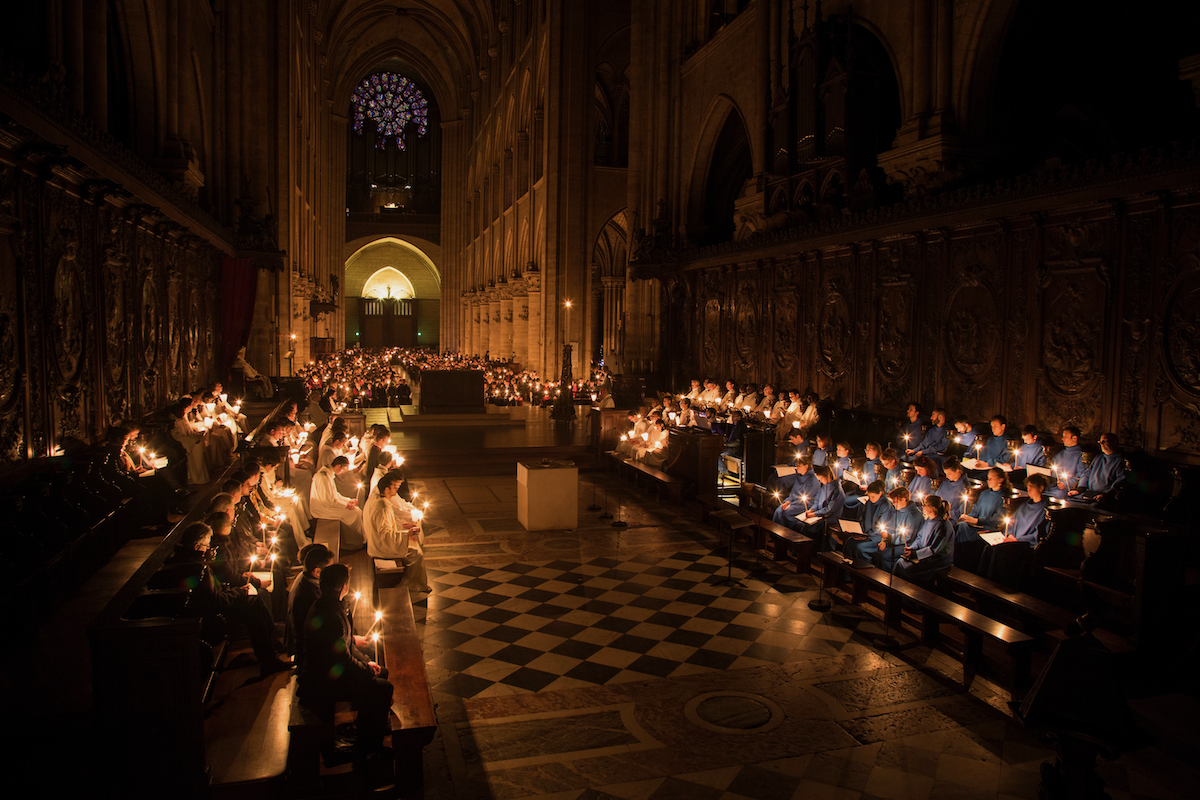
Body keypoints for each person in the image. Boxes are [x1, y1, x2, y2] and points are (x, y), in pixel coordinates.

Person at [167, 520, 290, 677]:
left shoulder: (186, 559)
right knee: (253, 603)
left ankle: (271, 650)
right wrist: (239, 592)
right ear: (197, 547)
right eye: (207, 546)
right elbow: (214, 601)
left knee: (254, 601)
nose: (211, 550)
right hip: (211, 619)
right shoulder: (198, 568)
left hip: (208, 608)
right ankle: (270, 656)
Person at [300, 563, 393, 761]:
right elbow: (341, 659)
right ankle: (369, 746)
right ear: (343, 587)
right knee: (383, 688)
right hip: (324, 680)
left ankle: (368, 723)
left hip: (332, 669)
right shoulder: (330, 615)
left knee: (382, 671)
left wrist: (367, 662)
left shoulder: (330, 605)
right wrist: (366, 671)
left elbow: (346, 645)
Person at [363, 472, 430, 592]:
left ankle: (412, 581)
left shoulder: (383, 502)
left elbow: (389, 525)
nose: (397, 488)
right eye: (395, 486)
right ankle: (411, 583)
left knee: (414, 546)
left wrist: (404, 528)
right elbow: (385, 534)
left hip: (384, 540)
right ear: (387, 489)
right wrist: (406, 534)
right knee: (416, 554)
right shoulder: (382, 507)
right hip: (381, 545)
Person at [978, 473, 1049, 585]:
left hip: (1024, 544)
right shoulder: (1025, 505)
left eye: (1032, 486)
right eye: (1028, 486)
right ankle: (981, 583)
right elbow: (1012, 522)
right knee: (988, 548)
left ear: (1041, 488)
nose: (1029, 489)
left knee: (999, 551)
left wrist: (1017, 539)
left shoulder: (1045, 510)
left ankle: (994, 584)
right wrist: (1009, 534)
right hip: (1012, 540)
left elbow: (1038, 534)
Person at [286, 544, 334, 666]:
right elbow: (322, 633)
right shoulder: (309, 596)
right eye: (330, 568)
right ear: (317, 571)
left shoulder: (305, 578)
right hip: (309, 651)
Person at [954, 468, 1011, 569]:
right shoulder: (984, 494)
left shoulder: (1004, 498)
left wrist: (978, 520)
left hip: (988, 527)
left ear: (1001, 480)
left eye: (991, 478)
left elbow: (998, 519)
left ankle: (966, 563)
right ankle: (958, 560)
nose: (988, 480)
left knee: (962, 529)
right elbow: (975, 511)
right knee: (960, 525)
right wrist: (968, 517)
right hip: (976, 524)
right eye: (988, 478)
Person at [893, 495, 955, 585]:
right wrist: (912, 548)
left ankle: (913, 592)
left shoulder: (943, 526)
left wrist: (916, 554)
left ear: (932, 508)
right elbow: (920, 537)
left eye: (925, 505)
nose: (923, 507)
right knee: (900, 562)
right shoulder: (929, 521)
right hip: (923, 555)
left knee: (906, 567)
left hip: (937, 560)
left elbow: (934, 549)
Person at [310, 456, 365, 550]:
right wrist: (346, 505)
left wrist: (348, 500)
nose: (343, 472)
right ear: (338, 466)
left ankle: (356, 539)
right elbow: (328, 500)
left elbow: (335, 495)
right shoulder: (323, 477)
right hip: (322, 508)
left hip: (329, 504)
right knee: (355, 513)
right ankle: (353, 542)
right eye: (343, 469)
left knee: (357, 511)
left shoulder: (328, 474)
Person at [875, 486, 922, 573]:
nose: (893, 504)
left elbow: (907, 537)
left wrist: (889, 538)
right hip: (895, 541)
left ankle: (889, 578)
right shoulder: (898, 510)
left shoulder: (914, 515)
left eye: (895, 501)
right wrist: (884, 540)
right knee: (878, 551)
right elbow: (890, 526)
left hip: (908, 545)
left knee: (886, 555)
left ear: (904, 499)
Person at [1071, 433, 1126, 501]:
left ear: (1114, 442)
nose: (1101, 444)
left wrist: (1106, 495)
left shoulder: (1120, 461)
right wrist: (1079, 489)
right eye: (1100, 442)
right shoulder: (1098, 458)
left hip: (1104, 497)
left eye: (1104, 442)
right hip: (1089, 493)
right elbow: (1087, 474)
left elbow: (1120, 481)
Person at [771, 455, 818, 529]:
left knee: (787, 512)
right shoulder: (799, 476)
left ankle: (786, 534)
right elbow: (793, 493)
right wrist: (787, 502)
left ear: (806, 466)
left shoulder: (813, 480)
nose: (796, 467)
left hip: (804, 504)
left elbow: (809, 498)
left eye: (799, 465)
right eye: (796, 465)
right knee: (778, 511)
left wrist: (791, 505)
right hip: (794, 502)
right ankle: (776, 534)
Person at [1047, 426, 1087, 499]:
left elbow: (1081, 474)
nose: (1063, 439)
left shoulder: (1081, 455)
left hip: (1068, 489)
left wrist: (1066, 484)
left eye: (1065, 437)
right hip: (1054, 486)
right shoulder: (1059, 454)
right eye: (1063, 436)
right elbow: (1052, 471)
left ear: (1074, 438)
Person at [717, 408, 746, 478]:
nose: (732, 418)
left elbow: (738, 442)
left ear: (739, 417)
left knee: (717, 454)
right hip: (732, 447)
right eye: (732, 416)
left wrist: (727, 445)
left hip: (736, 449)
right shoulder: (735, 425)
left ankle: (724, 470)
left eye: (734, 416)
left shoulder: (741, 426)